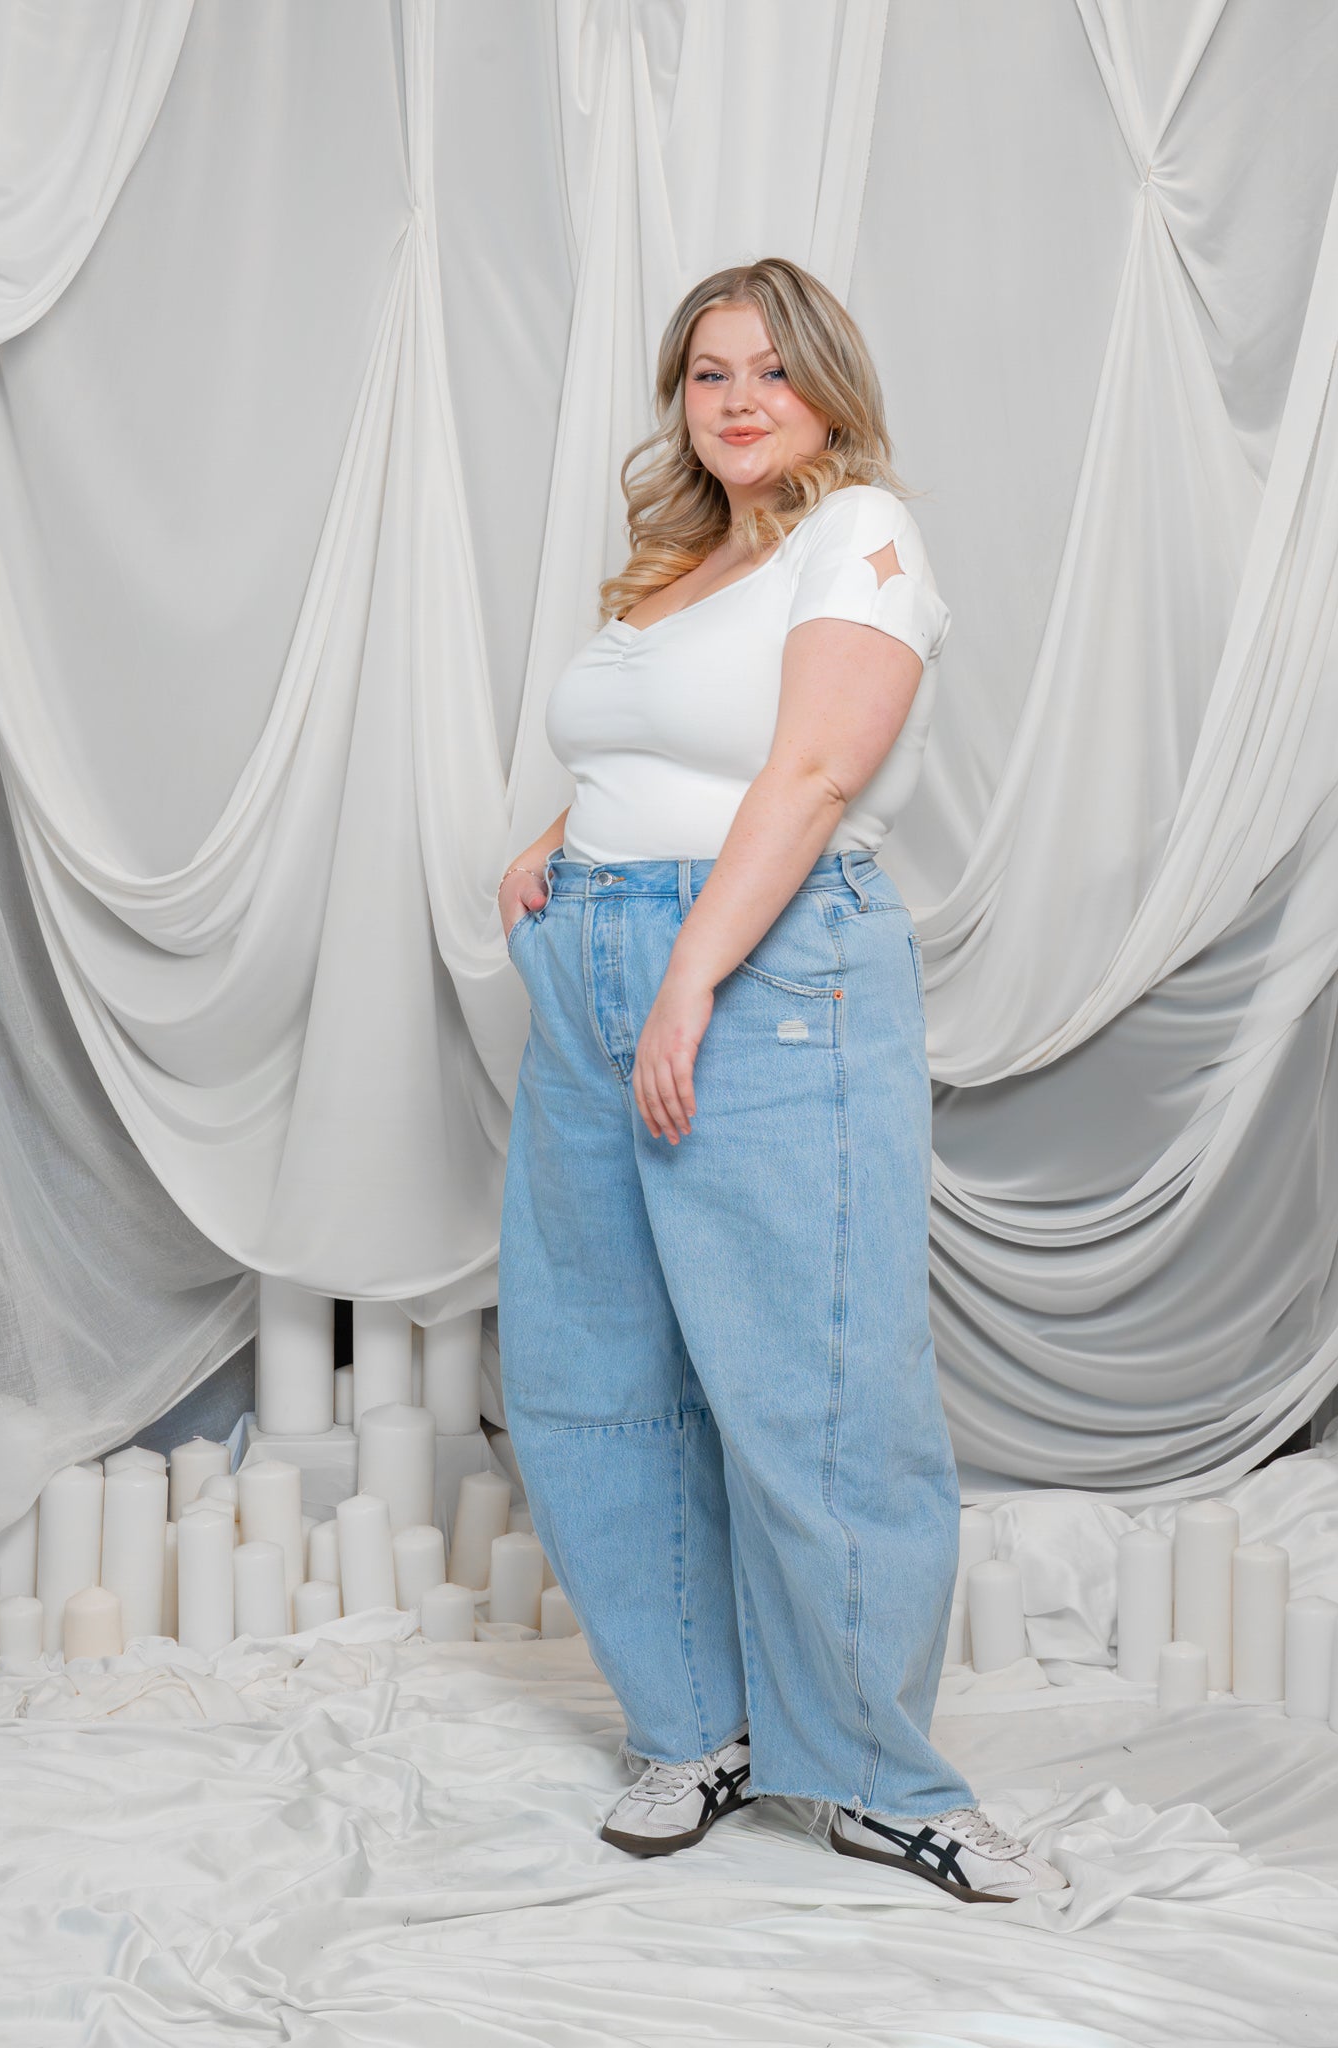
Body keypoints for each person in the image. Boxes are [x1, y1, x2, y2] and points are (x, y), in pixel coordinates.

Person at [495, 257, 1067, 1907]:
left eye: (770, 370)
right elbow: (657, 745)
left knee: (812, 1384)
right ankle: (702, 1729)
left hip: (767, 973)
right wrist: (558, 849)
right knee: (594, 1370)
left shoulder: (857, 534)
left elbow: (813, 771)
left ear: (828, 389)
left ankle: (881, 1778)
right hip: (593, 964)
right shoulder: (688, 562)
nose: (737, 400)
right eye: (707, 374)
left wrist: (687, 974)